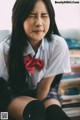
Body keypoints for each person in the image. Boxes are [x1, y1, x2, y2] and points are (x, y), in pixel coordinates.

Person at [0, 0, 71, 120]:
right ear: (19, 18)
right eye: (31, 16)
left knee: (55, 114)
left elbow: (44, 89)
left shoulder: (58, 44)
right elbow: (3, 88)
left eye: (44, 16)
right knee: (35, 110)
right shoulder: (6, 48)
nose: (39, 23)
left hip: (44, 90)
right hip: (12, 92)